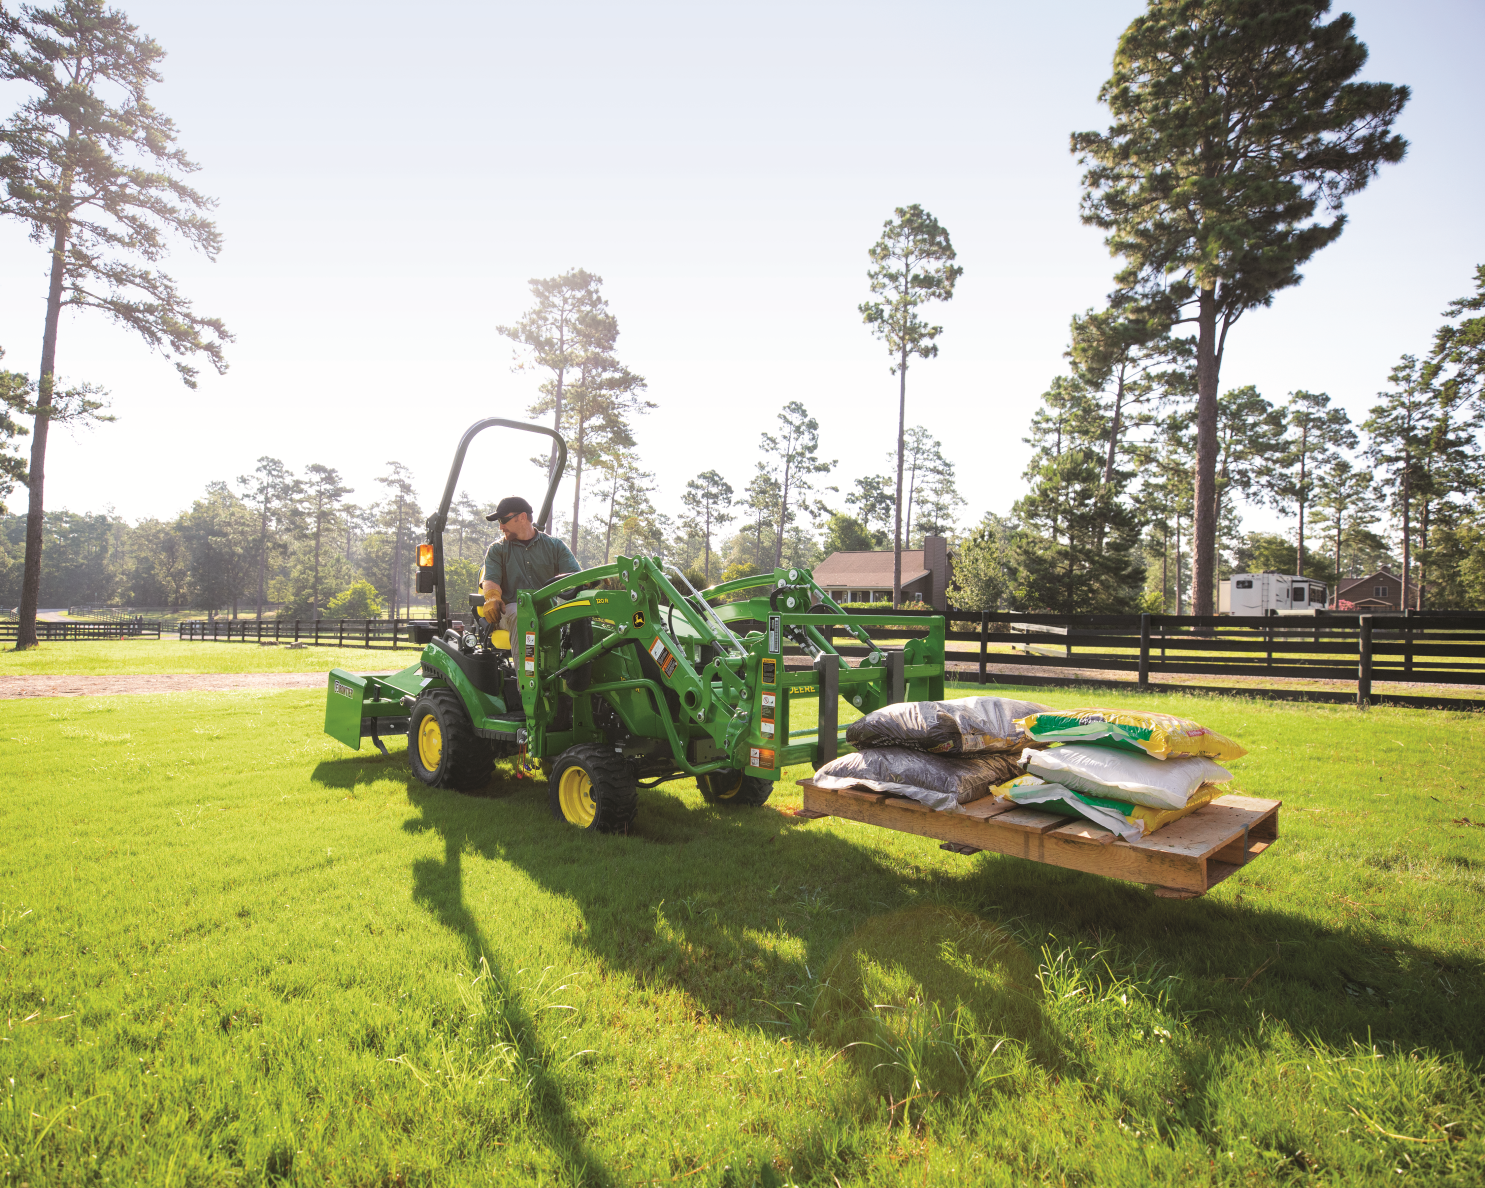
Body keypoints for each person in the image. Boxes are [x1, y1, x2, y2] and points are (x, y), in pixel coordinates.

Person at [478, 496, 580, 641]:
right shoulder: (497, 550)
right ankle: (524, 665)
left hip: (547, 611)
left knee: (581, 618)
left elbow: (575, 577)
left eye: (503, 520)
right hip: (512, 611)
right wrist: (492, 597)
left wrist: (590, 580)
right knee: (524, 617)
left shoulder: (555, 546)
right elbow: (491, 580)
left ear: (522, 517)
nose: (501, 527)